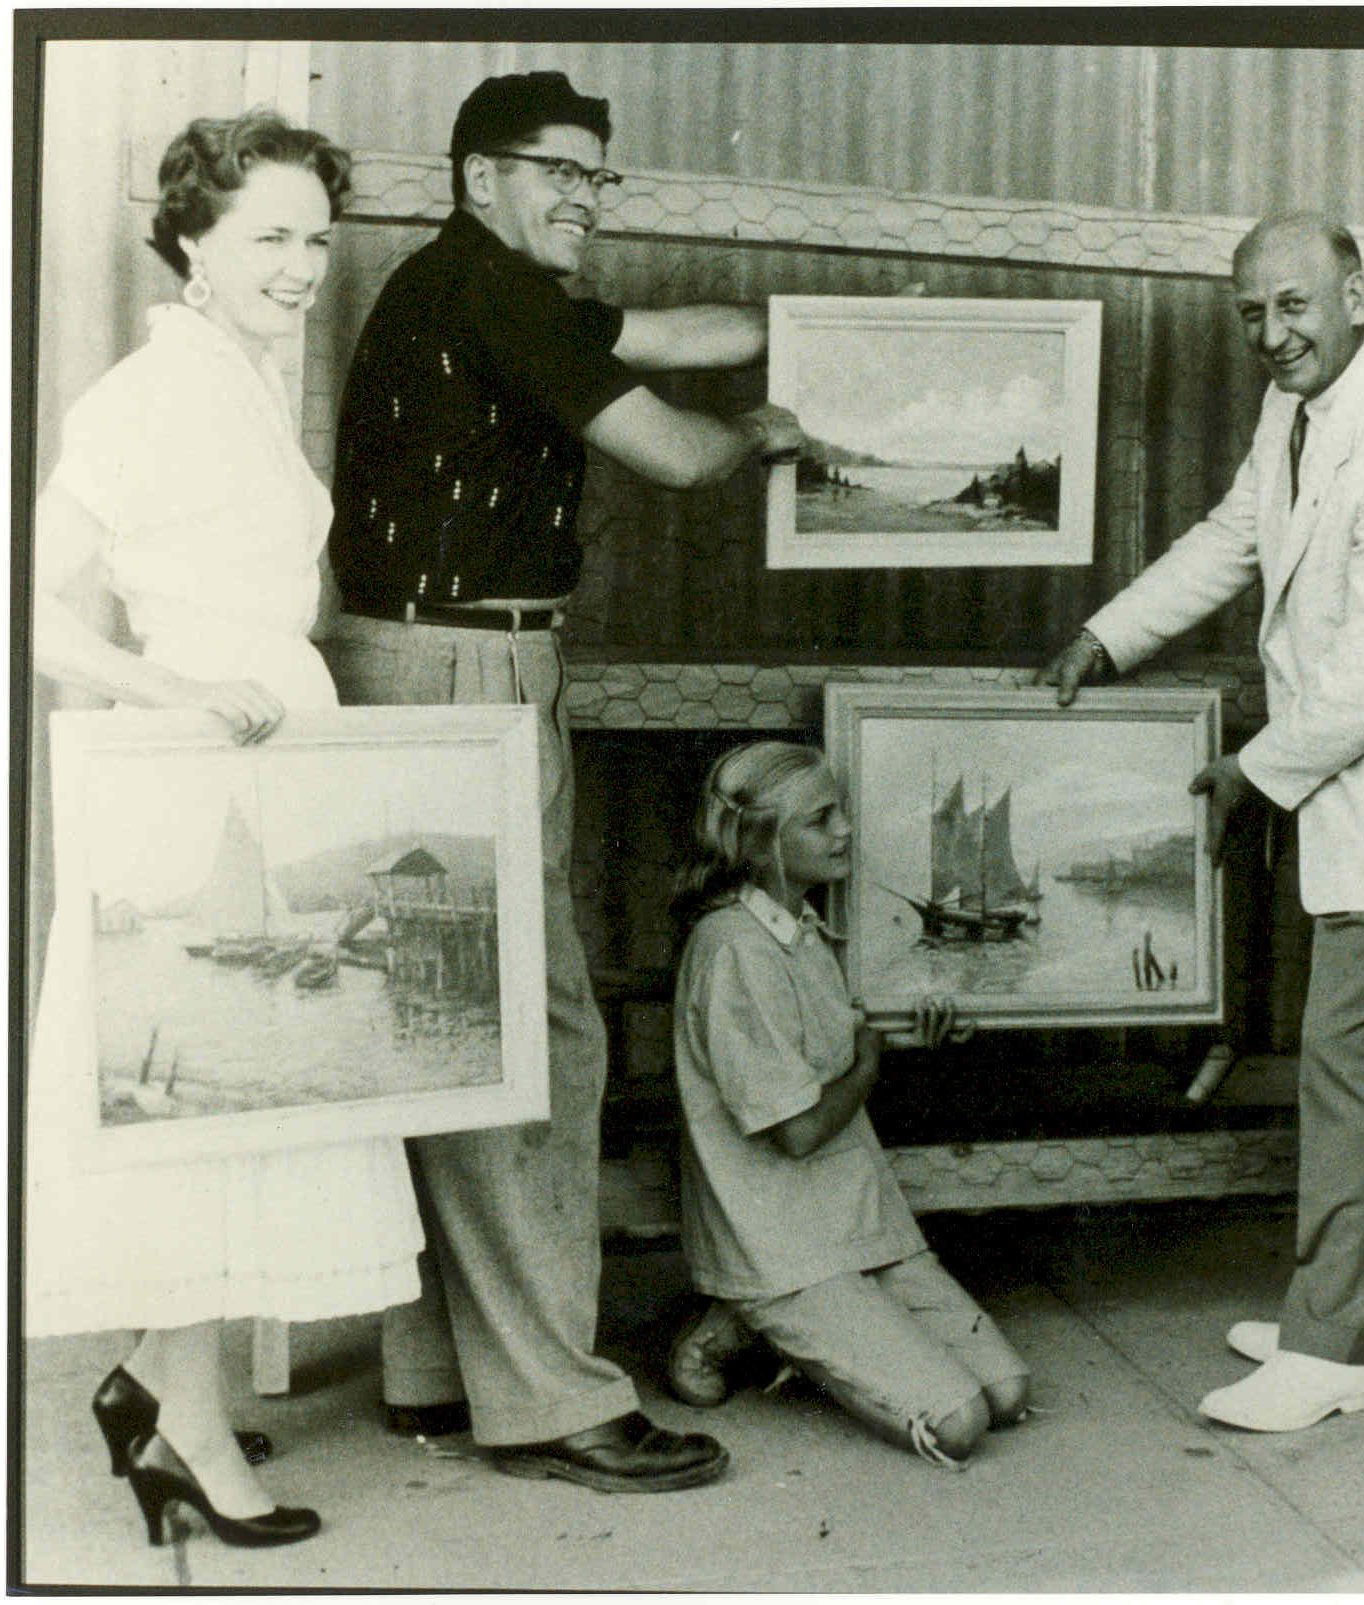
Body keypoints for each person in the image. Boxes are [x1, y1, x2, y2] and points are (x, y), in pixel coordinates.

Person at [318, 71, 800, 1495]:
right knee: (530, 1037)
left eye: (597, 178)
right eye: (553, 174)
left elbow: (676, 331)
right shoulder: (495, 290)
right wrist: (758, 435)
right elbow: (669, 443)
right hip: (461, 675)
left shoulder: (485, 286)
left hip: (420, 664)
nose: (579, 200)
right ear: (479, 177)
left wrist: (825, 329)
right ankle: (548, 1401)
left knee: (434, 1023)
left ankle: (435, 1371)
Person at [26, 111, 426, 1548]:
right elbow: (31, 594)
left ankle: (152, 1383)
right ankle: (183, 1430)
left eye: (317, 238)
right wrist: (181, 688)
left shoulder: (238, 380)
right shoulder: (150, 395)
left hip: (264, 756)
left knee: (250, 1095)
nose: (302, 266)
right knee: (198, 1098)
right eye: (269, 236)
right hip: (188, 775)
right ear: (190, 239)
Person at [1040, 211, 1364, 1432]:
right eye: (1249, 313)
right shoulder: (1301, 409)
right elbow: (1236, 534)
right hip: (1353, 795)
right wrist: (1107, 633)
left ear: (1356, 294)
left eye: (1291, 306)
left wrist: (1252, 770)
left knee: (1350, 1078)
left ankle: (1326, 1350)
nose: (1269, 334)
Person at [663, 741, 1031, 1467]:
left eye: (842, 813)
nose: (845, 831)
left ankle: (805, 1323)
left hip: (854, 1219)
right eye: (821, 819)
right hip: (778, 1242)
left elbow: (843, 1036)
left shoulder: (800, 931)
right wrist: (870, 1061)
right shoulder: (733, 948)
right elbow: (798, 1130)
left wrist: (918, 1031)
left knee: (1009, 1393)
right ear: (759, 840)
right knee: (958, 1423)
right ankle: (748, 1316)